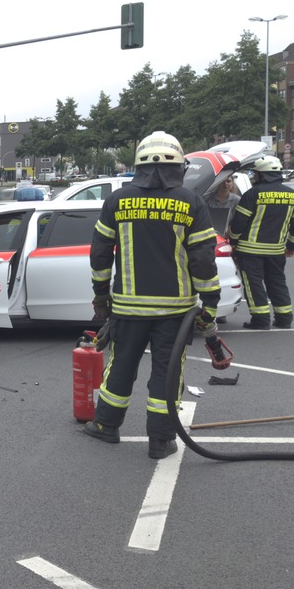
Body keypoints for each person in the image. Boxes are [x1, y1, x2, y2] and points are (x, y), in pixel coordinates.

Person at [84, 131, 221, 460]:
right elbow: (203, 259)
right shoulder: (191, 202)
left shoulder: (118, 201)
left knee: (121, 365)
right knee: (167, 371)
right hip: (175, 311)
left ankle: (106, 425)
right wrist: (210, 305)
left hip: (129, 308)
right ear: (179, 166)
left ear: (138, 166)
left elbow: (100, 253)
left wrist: (101, 295)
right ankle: (160, 440)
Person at [228, 156, 294, 330]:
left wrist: (232, 240)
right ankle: (284, 318)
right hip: (276, 250)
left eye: (256, 174)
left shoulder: (253, 194)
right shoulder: (293, 195)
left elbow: (239, 223)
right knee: (277, 282)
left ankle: (260, 319)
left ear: (261, 175)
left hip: (249, 250)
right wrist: (291, 247)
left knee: (253, 284)